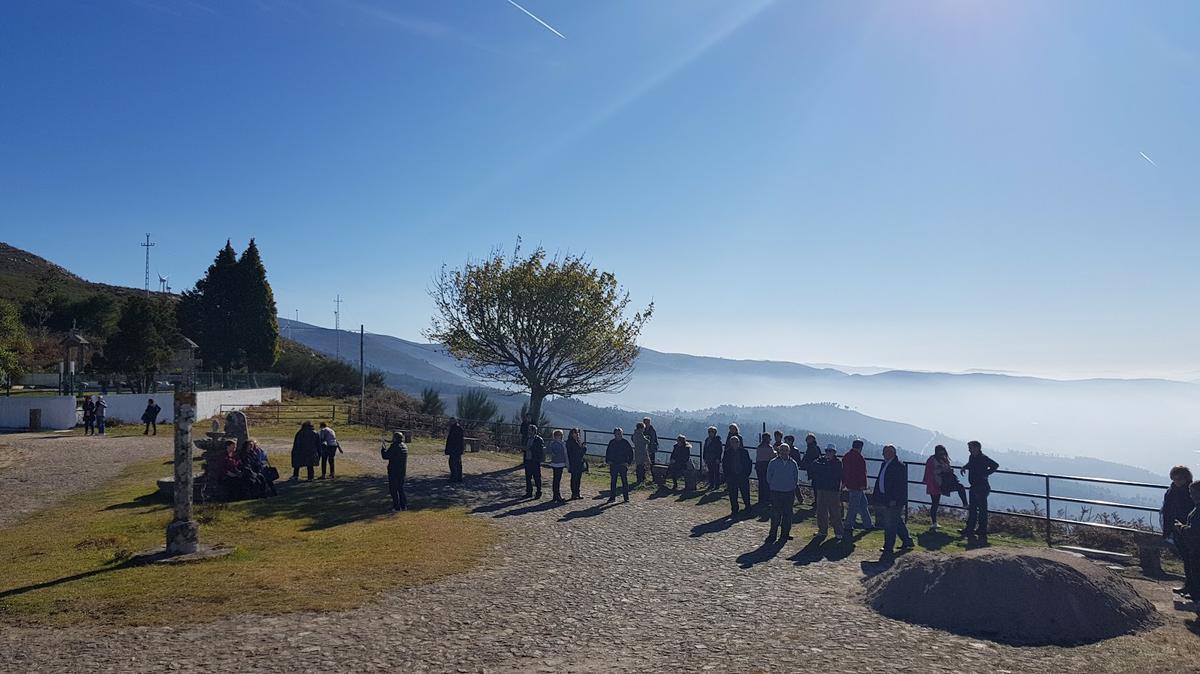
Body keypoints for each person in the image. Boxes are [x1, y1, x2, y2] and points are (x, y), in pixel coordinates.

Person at [873, 444, 913, 555]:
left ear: (892, 453)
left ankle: (888, 547)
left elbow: (899, 485)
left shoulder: (899, 466)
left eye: (885, 452)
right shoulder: (884, 464)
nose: (883, 455)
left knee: (890, 523)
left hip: (894, 500)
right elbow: (880, 480)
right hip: (886, 497)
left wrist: (894, 499)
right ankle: (907, 541)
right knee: (896, 520)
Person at [1162, 466, 1194, 596]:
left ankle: (1193, 587)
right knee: (1186, 559)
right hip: (1177, 530)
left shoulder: (1192, 492)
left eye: (1179, 478)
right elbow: (1166, 511)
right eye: (1174, 478)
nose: (1176, 481)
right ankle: (1189, 586)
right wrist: (1167, 530)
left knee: (1192, 560)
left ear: (1186, 478)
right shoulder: (1171, 491)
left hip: (1190, 531)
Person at [961, 440, 999, 544]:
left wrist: (986, 473)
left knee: (982, 510)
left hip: (982, 487)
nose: (968, 449)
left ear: (976, 448)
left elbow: (995, 465)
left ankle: (981, 530)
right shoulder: (972, 457)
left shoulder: (984, 458)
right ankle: (971, 529)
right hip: (974, 486)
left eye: (970, 447)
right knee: (973, 509)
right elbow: (971, 464)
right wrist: (965, 467)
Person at [924, 445, 967, 531]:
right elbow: (932, 472)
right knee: (935, 503)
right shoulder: (932, 460)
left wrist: (948, 470)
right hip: (934, 484)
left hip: (944, 483)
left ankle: (965, 504)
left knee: (960, 487)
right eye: (941, 452)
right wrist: (944, 470)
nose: (942, 453)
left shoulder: (941, 459)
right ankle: (934, 523)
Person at [765, 440, 799, 544]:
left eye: (786, 450)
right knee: (775, 514)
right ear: (779, 451)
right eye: (782, 450)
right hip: (776, 491)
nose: (784, 452)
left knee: (788, 514)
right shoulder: (773, 462)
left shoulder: (793, 463)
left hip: (789, 491)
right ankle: (772, 535)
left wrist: (792, 486)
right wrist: (773, 485)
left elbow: (795, 477)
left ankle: (785, 534)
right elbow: (768, 476)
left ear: (789, 451)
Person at [1172, 482, 1200, 600]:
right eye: (1190, 492)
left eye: (1193, 492)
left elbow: (1195, 531)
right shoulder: (1197, 507)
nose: (1191, 495)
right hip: (1194, 547)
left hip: (1197, 548)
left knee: (1197, 574)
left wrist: (1181, 527)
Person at [811, 444, 845, 540]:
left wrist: (822, 466)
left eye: (830, 451)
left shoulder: (838, 463)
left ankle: (839, 532)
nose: (828, 453)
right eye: (827, 451)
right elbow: (814, 465)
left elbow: (831, 472)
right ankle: (822, 530)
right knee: (821, 511)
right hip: (821, 488)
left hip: (833, 490)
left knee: (834, 512)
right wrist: (822, 465)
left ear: (834, 453)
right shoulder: (821, 460)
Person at [841, 439, 874, 534]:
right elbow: (861, 473)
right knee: (854, 506)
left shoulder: (847, 456)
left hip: (850, 484)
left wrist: (844, 482)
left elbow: (845, 471)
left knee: (863, 504)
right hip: (857, 485)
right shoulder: (859, 458)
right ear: (860, 447)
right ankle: (848, 525)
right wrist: (863, 484)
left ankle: (868, 524)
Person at [722, 424, 753, 515]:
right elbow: (724, 464)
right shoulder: (727, 452)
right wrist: (727, 474)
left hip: (742, 474)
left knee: (745, 492)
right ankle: (734, 509)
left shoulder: (744, 452)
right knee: (733, 493)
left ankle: (748, 506)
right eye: (733, 442)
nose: (734, 444)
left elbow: (749, 463)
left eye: (736, 442)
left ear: (739, 443)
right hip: (731, 475)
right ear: (730, 443)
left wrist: (747, 473)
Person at [605, 428, 634, 503]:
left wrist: (628, 462)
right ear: (614, 434)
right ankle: (612, 497)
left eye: (620, 433)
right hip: (613, 464)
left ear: (622, 434)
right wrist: (608, 461)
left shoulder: (625, 442)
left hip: (622, 464)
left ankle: (626, 497)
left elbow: (631, 453)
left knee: (624, 481)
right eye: (617, 433)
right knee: (613, 481)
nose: (618, 435)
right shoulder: (611, 442)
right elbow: (608, 452)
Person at [381, 432, 409, 511]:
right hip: (402, 471)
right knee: (400, 488)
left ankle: (396, 507)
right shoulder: (405, 446)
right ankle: (403, 506)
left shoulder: (394, 446)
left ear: (395, 438)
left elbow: (385, 456)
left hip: (394, 471)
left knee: (393, 489)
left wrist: (383, 448)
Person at [524, 425, 545, 499]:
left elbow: (540, 450)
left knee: (537, 477)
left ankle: (538, 492)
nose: (528, 431)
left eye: (530, 430)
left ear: (533, 431)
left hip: (535, 461)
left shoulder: (539, 439)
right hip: (528, 460)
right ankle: (529, 492)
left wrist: (531, 449)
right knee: (528, 477)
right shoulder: (527, 439)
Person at [566, 428, 588, 500]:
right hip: (574, 462)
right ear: (571, 434)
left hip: (579, 462)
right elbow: (576, 453)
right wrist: (583, 448)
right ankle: (574, 493)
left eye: (578, 433)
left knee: (578, 478)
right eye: (575, 433)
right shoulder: (570, 442)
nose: (577, 434)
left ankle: (577, 492)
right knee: (574, 478)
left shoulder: (578, 441)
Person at [754, 433, 774, 509]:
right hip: (766, 466)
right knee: (767, 483)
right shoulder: (769, 447)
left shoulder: (759, 446)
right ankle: (766, 498)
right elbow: (772, 456)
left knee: (761, 482)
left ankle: (761, 498)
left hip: (759, 466)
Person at [548, 429, 568, 503]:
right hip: (556, 463)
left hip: (561, 462)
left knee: (557, 479)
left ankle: (556, 495)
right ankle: (556, 495)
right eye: (557, 435)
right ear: (555, 436)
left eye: (560, 435)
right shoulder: (554, 443)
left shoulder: (562, 443)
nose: (559, 436)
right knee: (556, 479)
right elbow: (551, 451)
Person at [444, 418, 465, 483]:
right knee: (457, 463)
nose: (450, 422)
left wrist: (452, 449)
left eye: (451, 421)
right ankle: (458, 477)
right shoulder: (455, 428)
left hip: (455, 449)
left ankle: (455, 477)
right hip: (456, 449)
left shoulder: (456, 428)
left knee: (453, 463)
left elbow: (455, 440)